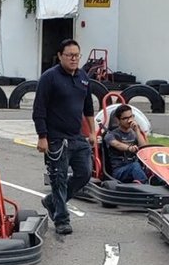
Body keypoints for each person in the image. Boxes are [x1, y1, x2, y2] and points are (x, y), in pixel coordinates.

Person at [31, 38, 96, 236]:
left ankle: (52, 201)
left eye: (77, 55)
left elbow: (88, 107)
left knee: (85, 173)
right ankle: (62, 219)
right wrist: (42, 137)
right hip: (56, 138)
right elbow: (39, 109)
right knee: (58, 178)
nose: (74, 59)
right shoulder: (49, 78)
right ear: (60, 56)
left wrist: (92, 132)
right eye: (70, 55)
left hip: (77, 137)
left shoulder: (84, 78)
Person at [103, 104, 147, 184]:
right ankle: (146, 185)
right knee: (135, 166)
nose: (129, 120)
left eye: (131, 117)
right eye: (125, 118)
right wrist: (129, 148)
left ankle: (165, 183)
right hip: (119, 171)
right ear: (118, 120)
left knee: (152, 166)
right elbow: (117, 144)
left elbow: (144, 148)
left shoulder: (135, 133)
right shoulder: (111, 135)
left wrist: (137, 131)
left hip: (136, 168)